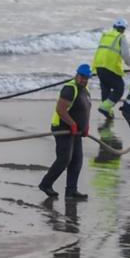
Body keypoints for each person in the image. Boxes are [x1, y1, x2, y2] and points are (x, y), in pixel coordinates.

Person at [39, 64, 92, 200]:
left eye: (86, 78)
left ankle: (71, 191)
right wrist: (72, 124)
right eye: (81, 77)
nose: (83, 80)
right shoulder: (70, 89)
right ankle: (46, 184)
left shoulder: (86, 90)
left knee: (77, 160)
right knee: (64, 159)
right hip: (62, 128)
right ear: (76, 75)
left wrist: (86, 126)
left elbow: (86, 109)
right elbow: (60, 110)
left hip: (76, 132)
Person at [91, 18, 130, 120]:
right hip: (110, 67)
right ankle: (105, 107)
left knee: (105, 88)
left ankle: (108, 112)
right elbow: (126, 55)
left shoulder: (105, 36)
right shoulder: (120, 37)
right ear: (123, 29)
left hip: (99, 66)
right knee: (119, 88)